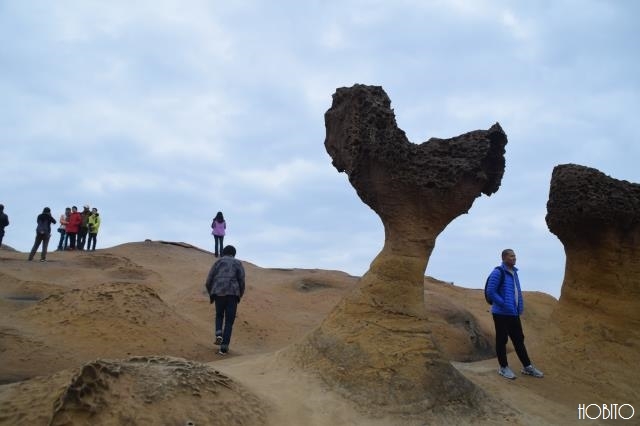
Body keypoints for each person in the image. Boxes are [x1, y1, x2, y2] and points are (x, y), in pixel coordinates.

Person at [486, 248, 544, 380]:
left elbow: (517, 291)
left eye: (515, 256)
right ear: (504, 258)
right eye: (511, 256)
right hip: (501, 313)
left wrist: (519, 307)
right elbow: (490, 291)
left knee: (519, 339)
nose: (514, 258)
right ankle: (503, 367)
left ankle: (527, 366)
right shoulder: (498, 272)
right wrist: (504, 303)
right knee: (502, 340)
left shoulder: (514, 273)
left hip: (513, 313)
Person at [204, 245, 245, 355]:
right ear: (234, 254)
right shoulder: (238, 263)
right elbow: (241, 280)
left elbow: (209, 280)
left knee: (219, 315)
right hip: (232, 294)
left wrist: (211, 293)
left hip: (219, 293)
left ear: (223, 252)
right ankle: (224, 348)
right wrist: (239, 294)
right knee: (229, 321)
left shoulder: (218, 262)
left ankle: (218, 334)